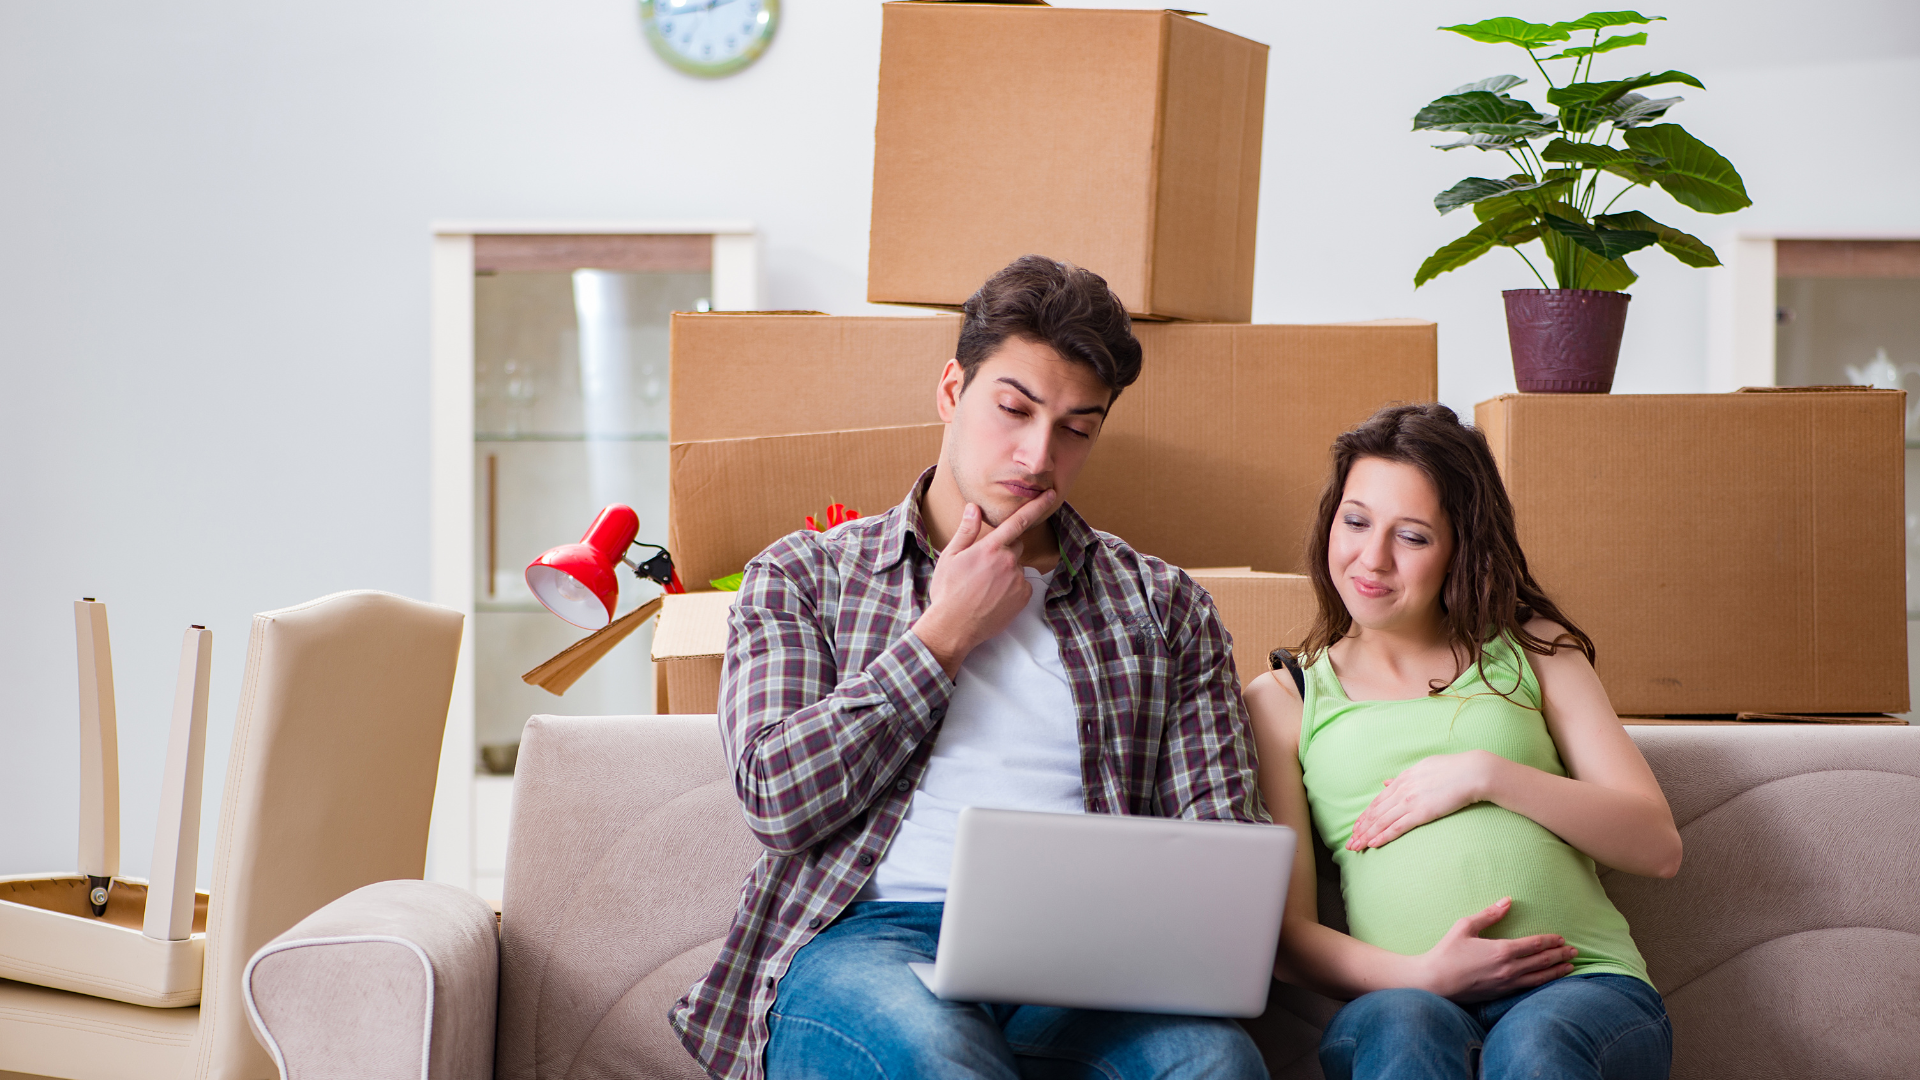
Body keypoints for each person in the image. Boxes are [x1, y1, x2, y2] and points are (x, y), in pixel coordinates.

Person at [671, 255, 1272, 1080]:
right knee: (940, 1057)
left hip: (1087, 965)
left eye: (1076, 428)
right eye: (1014, 409)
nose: (1037, 453)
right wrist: (942, 637)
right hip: (865, 944)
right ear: (952, 391)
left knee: (1214, 1065)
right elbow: (777, 799)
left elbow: (1222, 847)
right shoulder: (805, 576)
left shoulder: (1166, 608)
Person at [1243, 402, 1681, 1080]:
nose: (1372, 558)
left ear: (1460, 548)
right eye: (1355, 522)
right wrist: (1423, 974)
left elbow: (1657, 847)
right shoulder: (1283, 700)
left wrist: (1486, 774)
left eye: (1413, 537)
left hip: (1584, 986)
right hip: (1405, 995)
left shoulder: (1534, 649)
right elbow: (1290, 940)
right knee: (1402, 1029)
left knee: (1535, 1046)